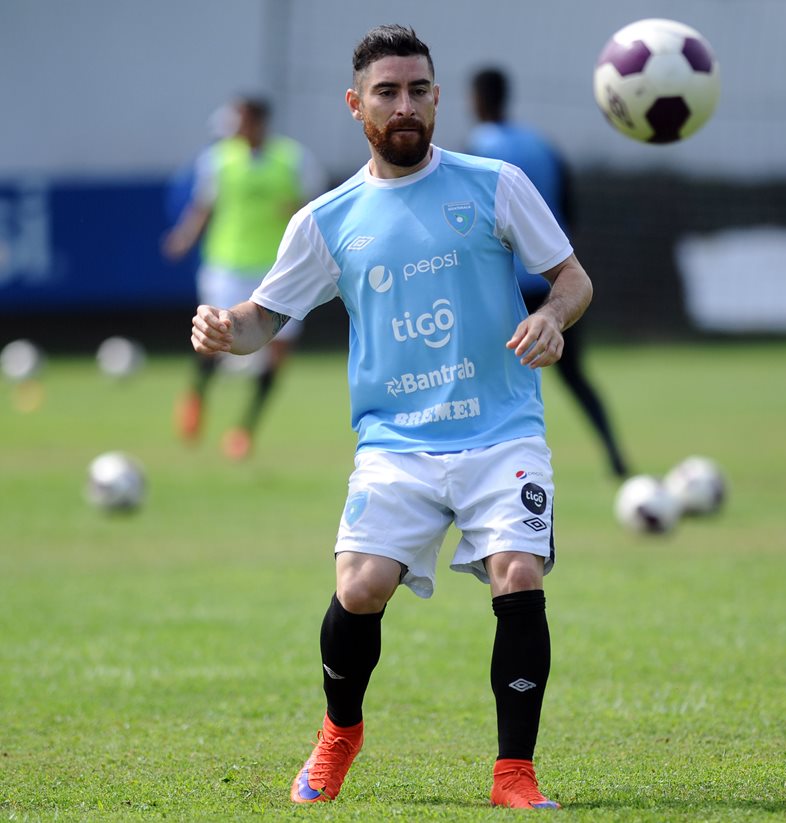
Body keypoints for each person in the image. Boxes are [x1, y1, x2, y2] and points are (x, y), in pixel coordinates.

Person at [188, 25, 593, 809]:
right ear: (355, 105)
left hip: (501, 431)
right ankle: (341, 730)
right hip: (396, 444)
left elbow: (571, 278)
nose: (403, 105)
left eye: (416, 90)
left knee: (517, 572)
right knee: (361, 584)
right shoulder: (328, 220)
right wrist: (222, 329)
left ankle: (515, 772)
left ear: (437, 97)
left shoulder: (495, 184)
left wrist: (553, 318)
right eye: (386, 92)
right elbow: (262, 318)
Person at [468, 67, 630, 479]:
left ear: (478, 100)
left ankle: (485, 468)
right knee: (576, 376)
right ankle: (615, 455)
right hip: (556, 283)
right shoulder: (543, 146)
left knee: (484, 380)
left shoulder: (477, 151)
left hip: (507, 291)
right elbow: (568, 210)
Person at [164, 95, 325, 460]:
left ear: (258, 122)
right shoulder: (218, 160)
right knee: (216, 335)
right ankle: (197, 396)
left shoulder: (294, 159)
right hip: (226, 264)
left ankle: (245, 428)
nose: (236, 128)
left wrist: (295, 209)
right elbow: (204, 206)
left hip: (275, 268)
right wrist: (184, 237)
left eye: (242, 120)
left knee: (278, 353)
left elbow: (317, 208)